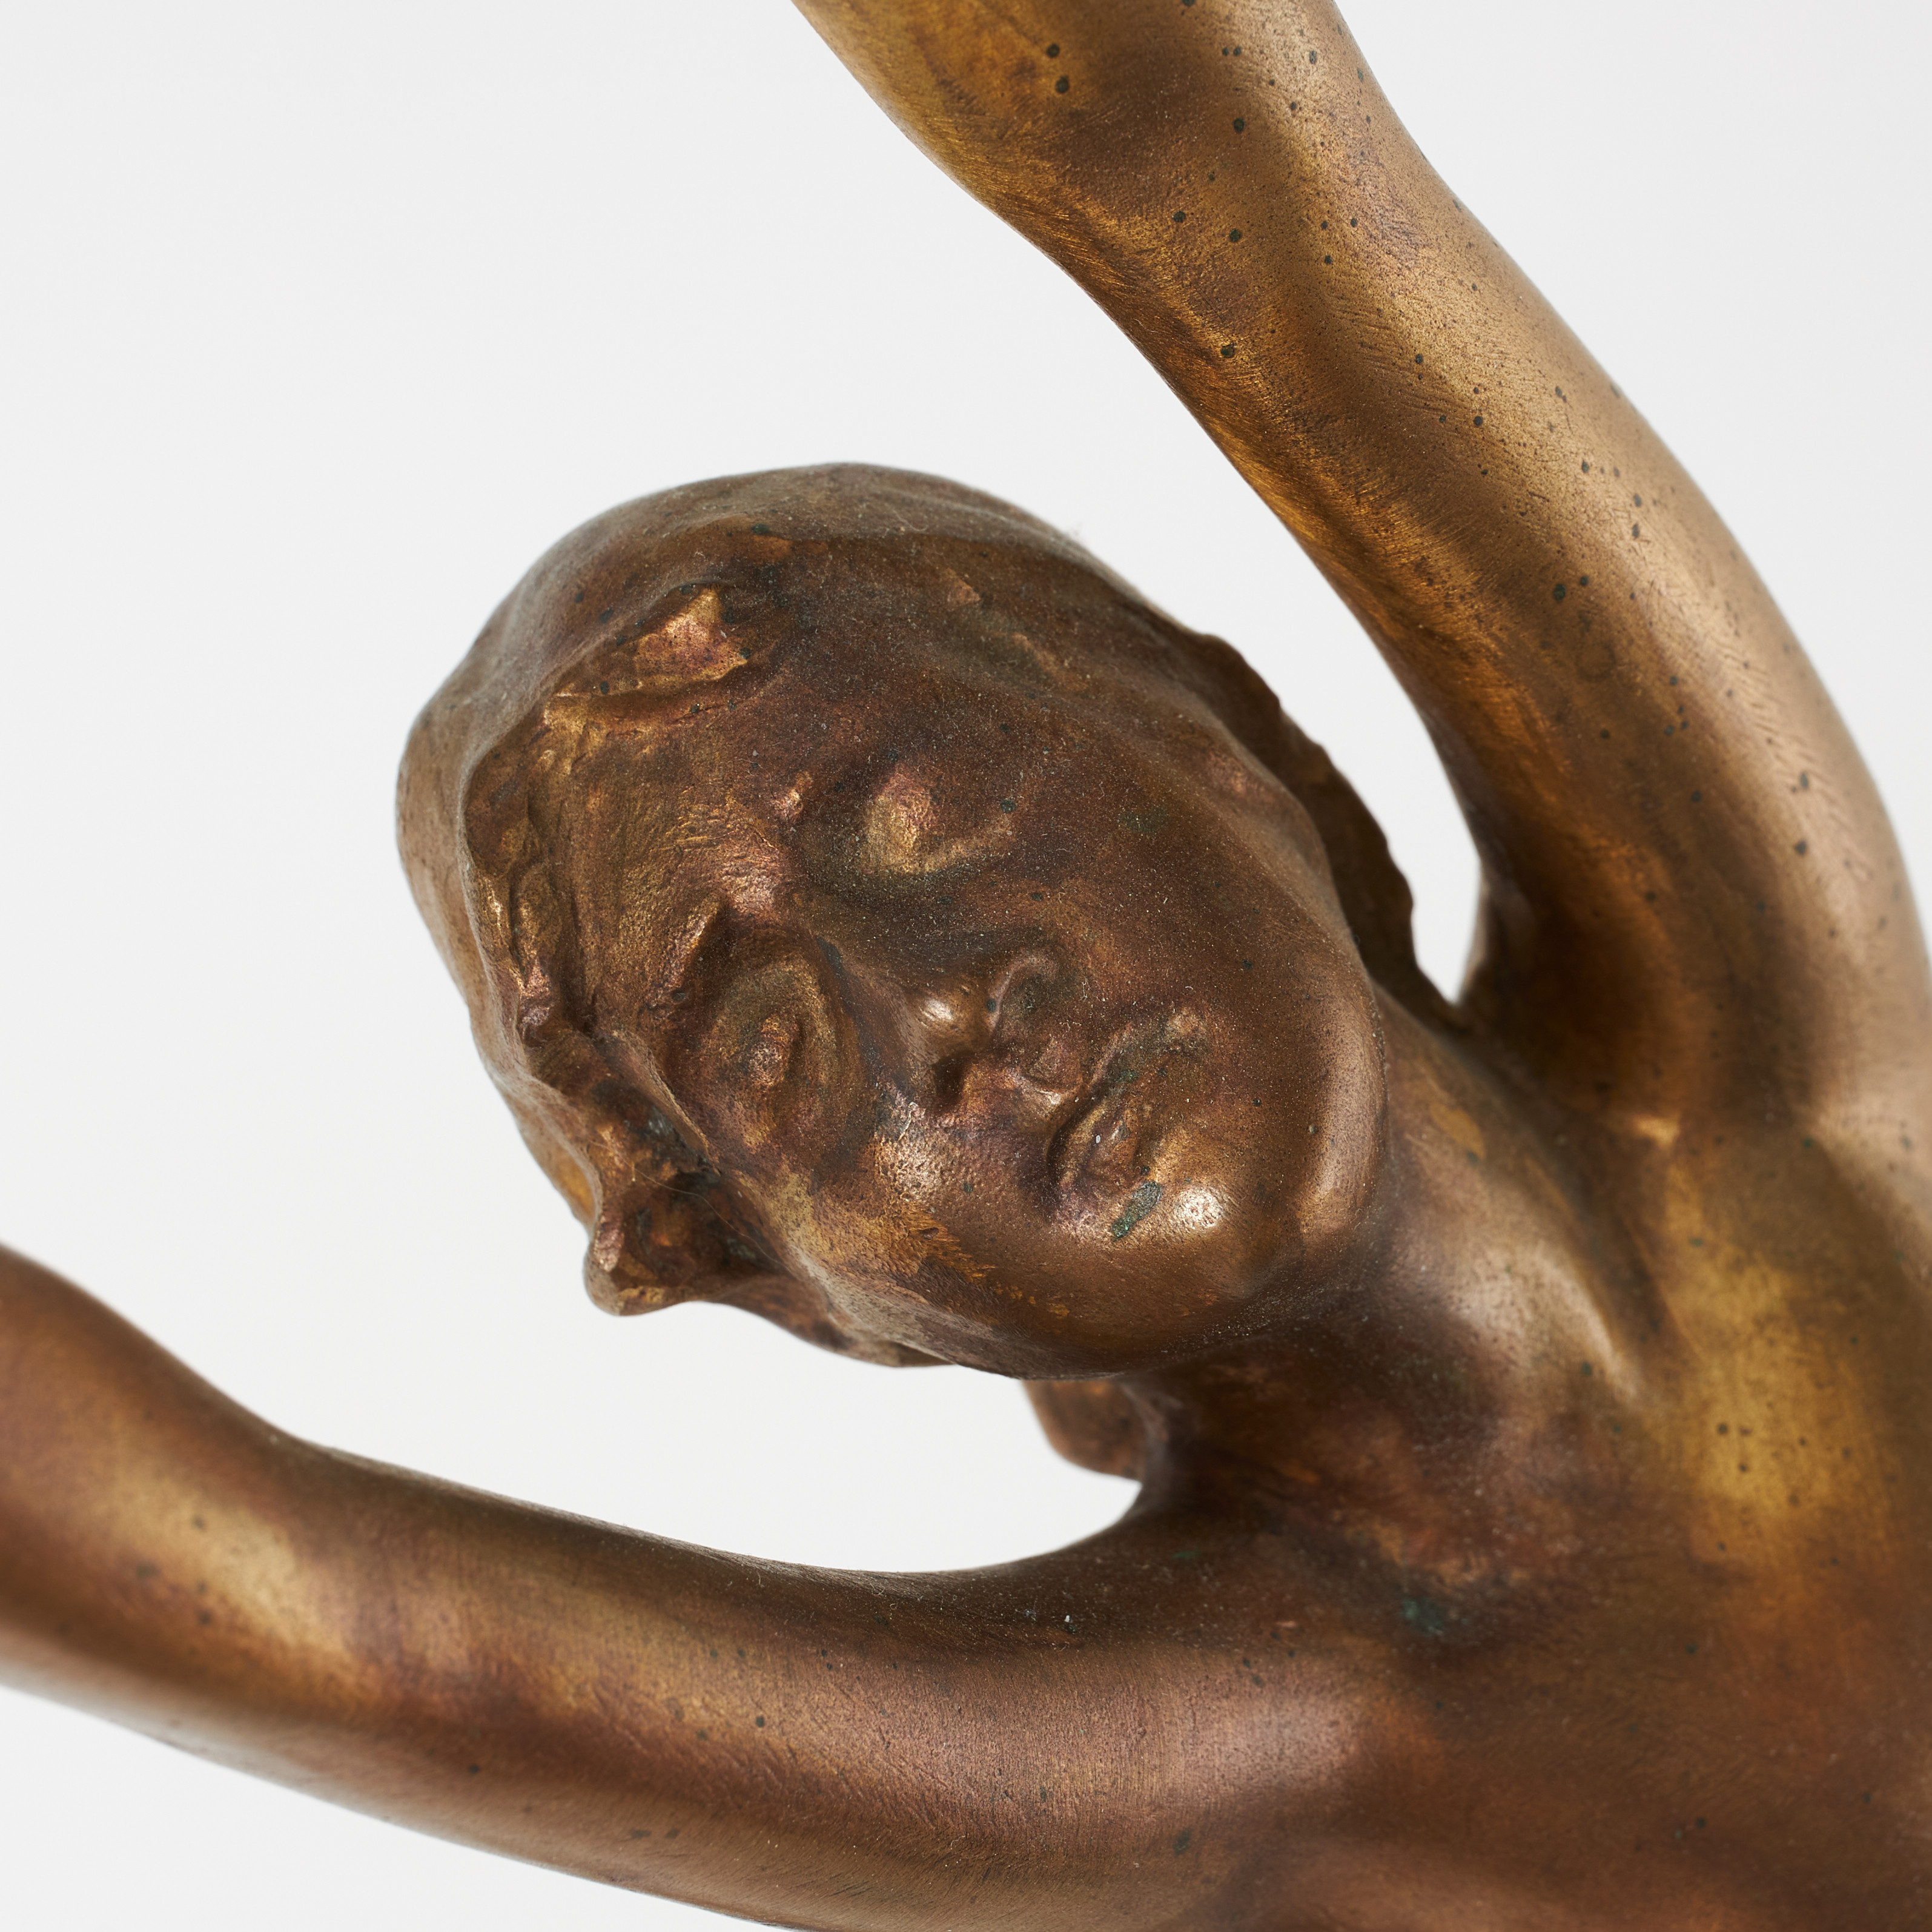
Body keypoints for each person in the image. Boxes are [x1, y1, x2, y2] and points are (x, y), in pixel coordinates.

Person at [5, 1, 1928, 1924]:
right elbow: (342, 1619)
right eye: (772, 1059)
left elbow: (1254, 213)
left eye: (936, 816)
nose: (930, 1015)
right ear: (816, 1296)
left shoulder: (1765, 1072)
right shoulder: (1248, 1737)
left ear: (1230, 750)